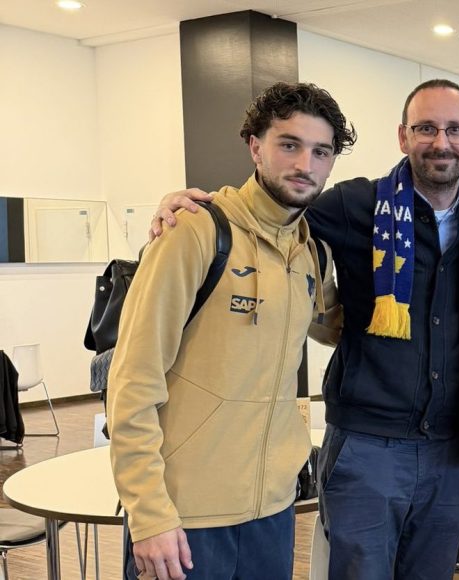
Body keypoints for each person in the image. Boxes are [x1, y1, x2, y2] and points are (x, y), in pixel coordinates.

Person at [150, 79, 459, 579]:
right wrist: (192, 205)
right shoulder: (353, 205)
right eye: (425, 128)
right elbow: (269, 213)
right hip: (366, 449)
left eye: (455, 130)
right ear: (403, 136)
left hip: (450, 451)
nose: (441, 142)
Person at [108, 82, 355, 580]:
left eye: (321, 151)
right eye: (289, 144)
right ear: (255, 147)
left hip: (272, 513)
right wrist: (149, 513)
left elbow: (340, 328)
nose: (305, 164)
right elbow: (132, 381)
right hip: (186, 516)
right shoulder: (195, 232)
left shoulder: (309, 251)